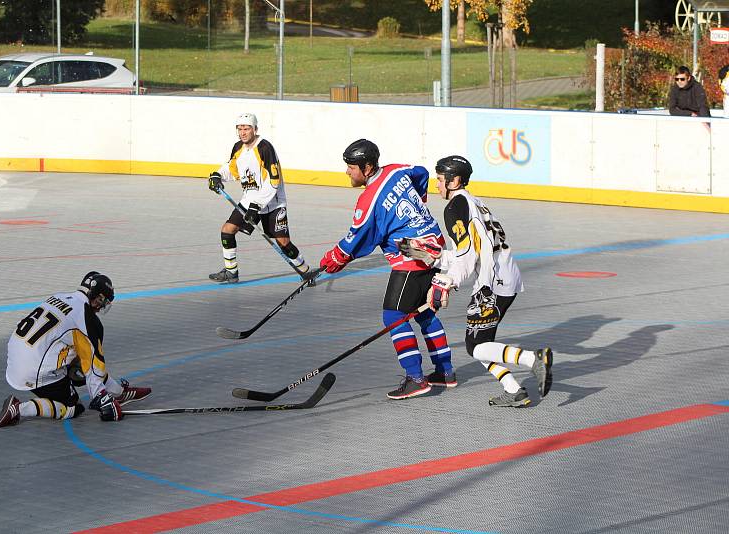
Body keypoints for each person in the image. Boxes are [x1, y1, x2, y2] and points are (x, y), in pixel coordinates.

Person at [399, 156, 553, 407]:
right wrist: (434, 256)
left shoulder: (455, 207)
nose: (436, 185)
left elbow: (468, 256)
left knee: (476, 348)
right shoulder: (474, 203)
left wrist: (445, 281)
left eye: (440, 180)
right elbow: (469, 251)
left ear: (454, 180)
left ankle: (532, 359)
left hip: (493, 283)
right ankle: (514, 390)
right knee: (480, 343)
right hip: (503, 276)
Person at [319, 139, 453, 400]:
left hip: (412, 254)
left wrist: (332, 260)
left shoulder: (368, 200)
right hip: (433, 242)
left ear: (367, 168)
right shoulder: (397, 170)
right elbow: (421, 173)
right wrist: (418, 203)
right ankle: (444, 371)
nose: (348, 172)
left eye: (351, 167)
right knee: (422, 313)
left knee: (393, 316)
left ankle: (416, 378)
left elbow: (354, 239)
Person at [0, 272, 151, 427]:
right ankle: (19, 409)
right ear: (98, 298)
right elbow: (94, 368)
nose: (99, 308)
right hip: (34, 370)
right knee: (74, 407)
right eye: (102, 303)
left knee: (77, 359)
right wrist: (102, 398)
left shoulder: (59, 297)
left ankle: (119, 391)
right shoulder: (88, 319)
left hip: (16, 358)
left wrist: (116, 391)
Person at [207, 113, 312, 283]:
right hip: (249, 200)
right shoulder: (238, 147)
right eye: (240, 129)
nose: (243, 133)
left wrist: (257, 205)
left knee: (283, 242)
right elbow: (232, 169)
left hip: (272, 202)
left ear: (255, 129)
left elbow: (274, 181)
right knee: (227, 230)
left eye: (247, 129)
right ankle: (231, 271)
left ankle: (305, 270)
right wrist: (218, 175)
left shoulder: (265, 148)